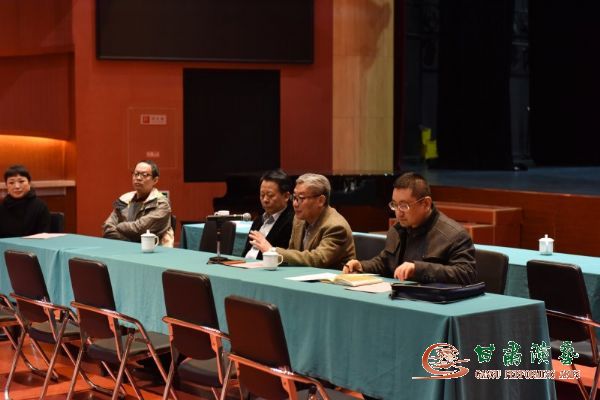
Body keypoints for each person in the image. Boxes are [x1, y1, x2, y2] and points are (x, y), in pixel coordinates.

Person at [343, 172, 476, 284]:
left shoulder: (454, 235)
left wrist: (418, 269)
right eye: (394, 205)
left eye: (404, 206)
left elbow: (466, 274)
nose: (398, 213)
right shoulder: (397, 229)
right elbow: (385, 262)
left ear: (426, 204)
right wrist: (362, 266)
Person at [249, 173, 355, 269]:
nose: (295, 204)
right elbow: (292, 252)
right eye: (294, 197)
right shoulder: (299, 220)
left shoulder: (336, 226)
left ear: (320, 201)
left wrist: (272, 251)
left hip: (332, 281)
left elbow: (318, 259)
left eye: (301, 198)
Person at [103, 160, 174, 247]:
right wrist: (130, 244)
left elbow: (139, 229)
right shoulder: (125, 199)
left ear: (155, 180)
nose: (138, 178)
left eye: (145, 175)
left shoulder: (162, 204)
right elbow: (108, 228)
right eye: (136, 174)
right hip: (124, 248)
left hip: (153, 250)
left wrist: (118, 226)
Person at [243, 169, 294, 260]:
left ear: (286, 196)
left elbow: (284, 258)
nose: (265, 200)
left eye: (270, 195)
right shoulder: (258, 220)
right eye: (262, 195)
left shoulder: (292, 221)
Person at [0, 165, 50, 238]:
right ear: (6, 186)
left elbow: (43, 236)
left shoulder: (40, 206)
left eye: (21, 181)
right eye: (11, 183)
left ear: (29, 183)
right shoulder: (2, 207)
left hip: (33, 245)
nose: (17, 186)